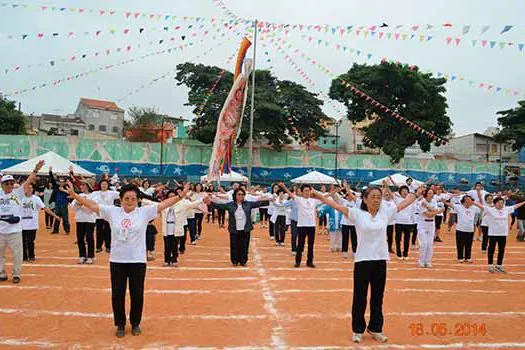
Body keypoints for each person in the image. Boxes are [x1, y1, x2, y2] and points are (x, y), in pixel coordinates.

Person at [65, 181, 188, 338]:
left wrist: (180, 196)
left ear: (137, 200)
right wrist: (75, 195)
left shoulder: (144, 212)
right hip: (117, 261)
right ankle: (120, 324)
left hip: (137, 261)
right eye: (127, 199)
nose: (130, 202)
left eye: (133, 199)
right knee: (118, 294)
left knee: (137, 294)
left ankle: (135, 323)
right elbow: (93, 206)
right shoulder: (112, 212)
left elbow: (163, 205)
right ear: (121, 200)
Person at [315, 185, 421, 344]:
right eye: (373, 196)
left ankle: (375, 328)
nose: (376, 199)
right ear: (364, 199)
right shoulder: (357, 214)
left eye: (379, 197)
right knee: (360, 297)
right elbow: (336, 205)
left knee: (378, 297)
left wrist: (416, 194)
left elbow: (404, 203)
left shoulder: (385, 213)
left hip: (380, 260)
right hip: (362, 260)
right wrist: (321, 197)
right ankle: (358, 329)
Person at [0, 160, 45, 284]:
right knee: (0, 254)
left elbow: (29, 180)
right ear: (2, 184)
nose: (9, 185)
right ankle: (2, 273)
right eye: (6, 183)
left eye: (11, 183)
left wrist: (36, 169)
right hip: (1, 230)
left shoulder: (18, 193)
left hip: (14, 230)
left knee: (17, 254)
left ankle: (16, 274)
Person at [211, 188, 270, 266]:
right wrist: (210, 203)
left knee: (244, 245)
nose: (241, 196)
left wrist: (269, 200)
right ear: (235, 195)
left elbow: (258, 204)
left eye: (242, 194)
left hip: (245, 229)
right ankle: (234, 261)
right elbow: (220, 206)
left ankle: (243, 261)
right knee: (234, 245)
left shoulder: (248, 204)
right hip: (234, 229)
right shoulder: (230, 205)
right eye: (239, 194)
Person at [473, 197, 525, 273]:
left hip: (503, 233)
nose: (501, 204)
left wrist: (524, 202)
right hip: (493, 233)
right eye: (499, 203)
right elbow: (480, 206)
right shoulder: (490, 210)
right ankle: (490, 265)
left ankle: (499, 265)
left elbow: (516, 206)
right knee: (491, 249)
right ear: (495, 203)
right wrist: (472, 201)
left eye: (502, 203)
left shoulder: (506, 209)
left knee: (501, 250)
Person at [161, 189, 208, 267]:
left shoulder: (182, 203)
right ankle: (167, 260)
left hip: (176, 228)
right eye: (170, 197)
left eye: (173, 196)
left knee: (175, 245)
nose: (172, 198)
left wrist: (201, 200)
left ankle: (174, 259)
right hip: (167, 227)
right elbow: (153, 204)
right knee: (167, 245)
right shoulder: (164, 205)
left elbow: (192, 204)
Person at [279, 183, 320, 268]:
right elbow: (290, 194)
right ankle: (298, 261)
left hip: (312, 225)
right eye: (305, 191)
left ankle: (310, 261)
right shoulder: (299, 199)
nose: (307, 192)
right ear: (301, 192)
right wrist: (283, 186)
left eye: (308, 191)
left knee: (311, 245)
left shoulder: (313, 200)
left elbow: (325, 198)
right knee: (300, 244)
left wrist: (334, 191)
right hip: (301, 225)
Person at [21, 183, 59, 263]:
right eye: (28, 188)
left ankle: (31, 256)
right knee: (22, 242)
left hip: (32, 225)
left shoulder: (36, 198)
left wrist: (55, 216)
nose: (29, 189)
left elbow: (45, 208)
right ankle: (24, 257)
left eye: (31, 188)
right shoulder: (20, 198)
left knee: (30, 241)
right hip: (21, 225)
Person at [71, 180, 97, 264]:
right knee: (80, 238)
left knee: (89, 238)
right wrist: (80, 203)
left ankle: (90, 256)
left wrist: (82, 203)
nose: (82, 187)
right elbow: (73, 207)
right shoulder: (79, 195)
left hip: (90, 220)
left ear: (88, 186)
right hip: (80, 219)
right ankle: (82, 255)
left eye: (84, 185)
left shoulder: (94, 196)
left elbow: (92, 208)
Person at [417, 188, 444, 268]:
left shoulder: (434, 201)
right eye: (429, 193)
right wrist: (438, 211)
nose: (431, 195)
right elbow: (428, 214)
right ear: (425, 194)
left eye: (432, 193)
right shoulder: (422, 202)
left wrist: (430, 208)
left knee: (430, 244)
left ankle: (428, 261)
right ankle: (421, 261)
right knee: (424, 244)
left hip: (431, 224)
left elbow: (433, 212)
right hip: (423, 224)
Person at [92, 179, 120, 253]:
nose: (103, 185)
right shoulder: (95, 193)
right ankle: (98, 247)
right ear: (100, 185)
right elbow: (88, 198)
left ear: (108, 185)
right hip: (99, 215)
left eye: (105, 184)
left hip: (109, 215)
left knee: (108, 231)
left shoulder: (112, 193)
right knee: (99, 232)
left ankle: (108, 247)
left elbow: (121, 194)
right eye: (102, 184)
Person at [453, 195, 481, 263]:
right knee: (460, 244)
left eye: (470, 199)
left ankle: (468, 257)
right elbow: (447, 203)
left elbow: (482, 207)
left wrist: (474, 203)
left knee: (469, 244)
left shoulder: (474, 208)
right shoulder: (459, 207)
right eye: (467, 199)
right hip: (460, 229)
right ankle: (460, 257)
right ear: (464, 201)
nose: (469, 201)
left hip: (470, 229)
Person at [393, 186, 415, 260]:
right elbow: (390, 194)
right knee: (398, 239)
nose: (404, 192)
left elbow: (412, 210)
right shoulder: (397, 199)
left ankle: (405, 254)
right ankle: (399, 254)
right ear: (400, 192)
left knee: (407, 239)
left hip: (408, 222)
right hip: (398, 222)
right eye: (403, 190)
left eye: (406, 190)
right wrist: (386, 186)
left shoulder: (410, 200)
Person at [49, 167, 71, 235]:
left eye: (62, 182)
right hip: (57, 205)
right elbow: (52, 180)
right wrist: (50, 172)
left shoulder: (67, 188)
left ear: (64, 182)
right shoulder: (56, 187)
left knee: (65, 218)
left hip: (64, 205)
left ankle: (67, 230)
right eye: (60, 181)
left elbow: (71, 181)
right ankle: (55, 230)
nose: (61, 183)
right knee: (57, 218)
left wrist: (71, 172)